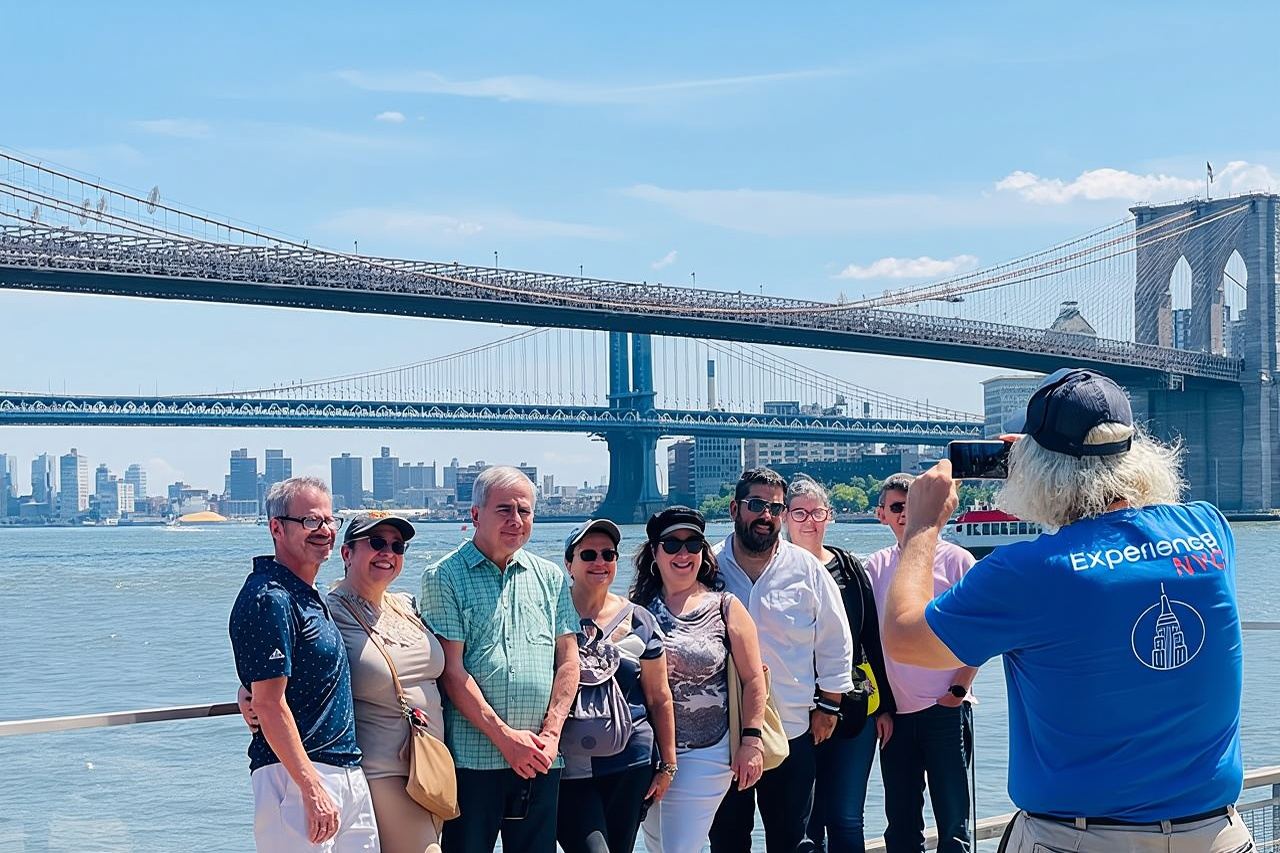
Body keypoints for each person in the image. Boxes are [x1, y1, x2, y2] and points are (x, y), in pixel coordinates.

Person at [882, 368, 1254, 853]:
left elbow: (905, 638)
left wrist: (922, 527)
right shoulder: (1209, 531)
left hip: (1080, 839)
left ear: (1038, 468)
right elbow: (1141, 525)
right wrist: (1058, 457)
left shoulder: (1028, 572)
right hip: (1217, 834)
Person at [241, 511, 448, 853]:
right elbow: (285, 657)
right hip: (381, 769)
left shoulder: (409, 606)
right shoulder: (328, 611)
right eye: (376, 543)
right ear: (347, 553)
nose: (388, 552)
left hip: (429, 767)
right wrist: (247, 690)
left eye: (397, 546)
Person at [418, 466, 579, 853]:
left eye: (524, 511)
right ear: (475, 515)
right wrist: (506, 739)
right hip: (474, 761)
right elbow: (452, 672)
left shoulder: (551, 577)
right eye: (504, 509)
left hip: (541, 757)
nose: (516, 520)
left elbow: (569, 661)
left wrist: (551, 734)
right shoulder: (444, 576)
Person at [228, 477, 379, 852]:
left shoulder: (308, 595)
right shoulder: (270, 598)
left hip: (345, 771)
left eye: (329, 520)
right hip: (297, 777)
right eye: (311, 521)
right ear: (276, 528)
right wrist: (311, 786)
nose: (324, 530)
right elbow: (268, 703)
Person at [711, 468, 856, 853]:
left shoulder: (806, 568)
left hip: (793, 729)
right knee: (726, 841)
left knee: (794, 841)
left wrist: (830, 706)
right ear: (734, 509)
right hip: (723, 731)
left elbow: (835, 639)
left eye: (775, 508)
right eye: (756, 505)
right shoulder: (708, 567)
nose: (766, 516)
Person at [633, 506, 768, 853]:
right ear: (655, 553)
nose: (683, 553)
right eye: (672, 544)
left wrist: (751, 742)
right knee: (658, 846)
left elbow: (754, 678)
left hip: (707, 751)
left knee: (679, 848)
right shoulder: (636, 609)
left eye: (693, 544)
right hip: (649, 753)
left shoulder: (725, 606)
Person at [783, 476, 896, 853]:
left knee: (847, 817)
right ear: (785, 518)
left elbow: (871, 638)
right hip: (795, 713)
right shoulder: (774, 571)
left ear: (829, 517)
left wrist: (886, 707)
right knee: (803, 821)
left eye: (817, 512)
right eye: (800, 513)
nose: (809, 521)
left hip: (853, 708)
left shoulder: (848, 566)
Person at [865, 472, 976, 853]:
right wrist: (880, 706)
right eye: (897, 507)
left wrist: (957, 691)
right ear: (881, 514)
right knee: (900, 827)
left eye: (912, 506)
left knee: (954, 827)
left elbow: (979, 634)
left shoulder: (959, 560)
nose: (905, 514)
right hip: (895, 716)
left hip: (946, 709)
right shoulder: (874, 567)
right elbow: (867, 641)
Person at [556, 519, 679, 853]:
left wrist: (667, 765)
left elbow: (659, 697)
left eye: (608, 554)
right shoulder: (550, 615)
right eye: (588, 554)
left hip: (631, 761)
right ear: (569, 563)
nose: (600, 562)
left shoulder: (639, 619)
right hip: (568, 766)